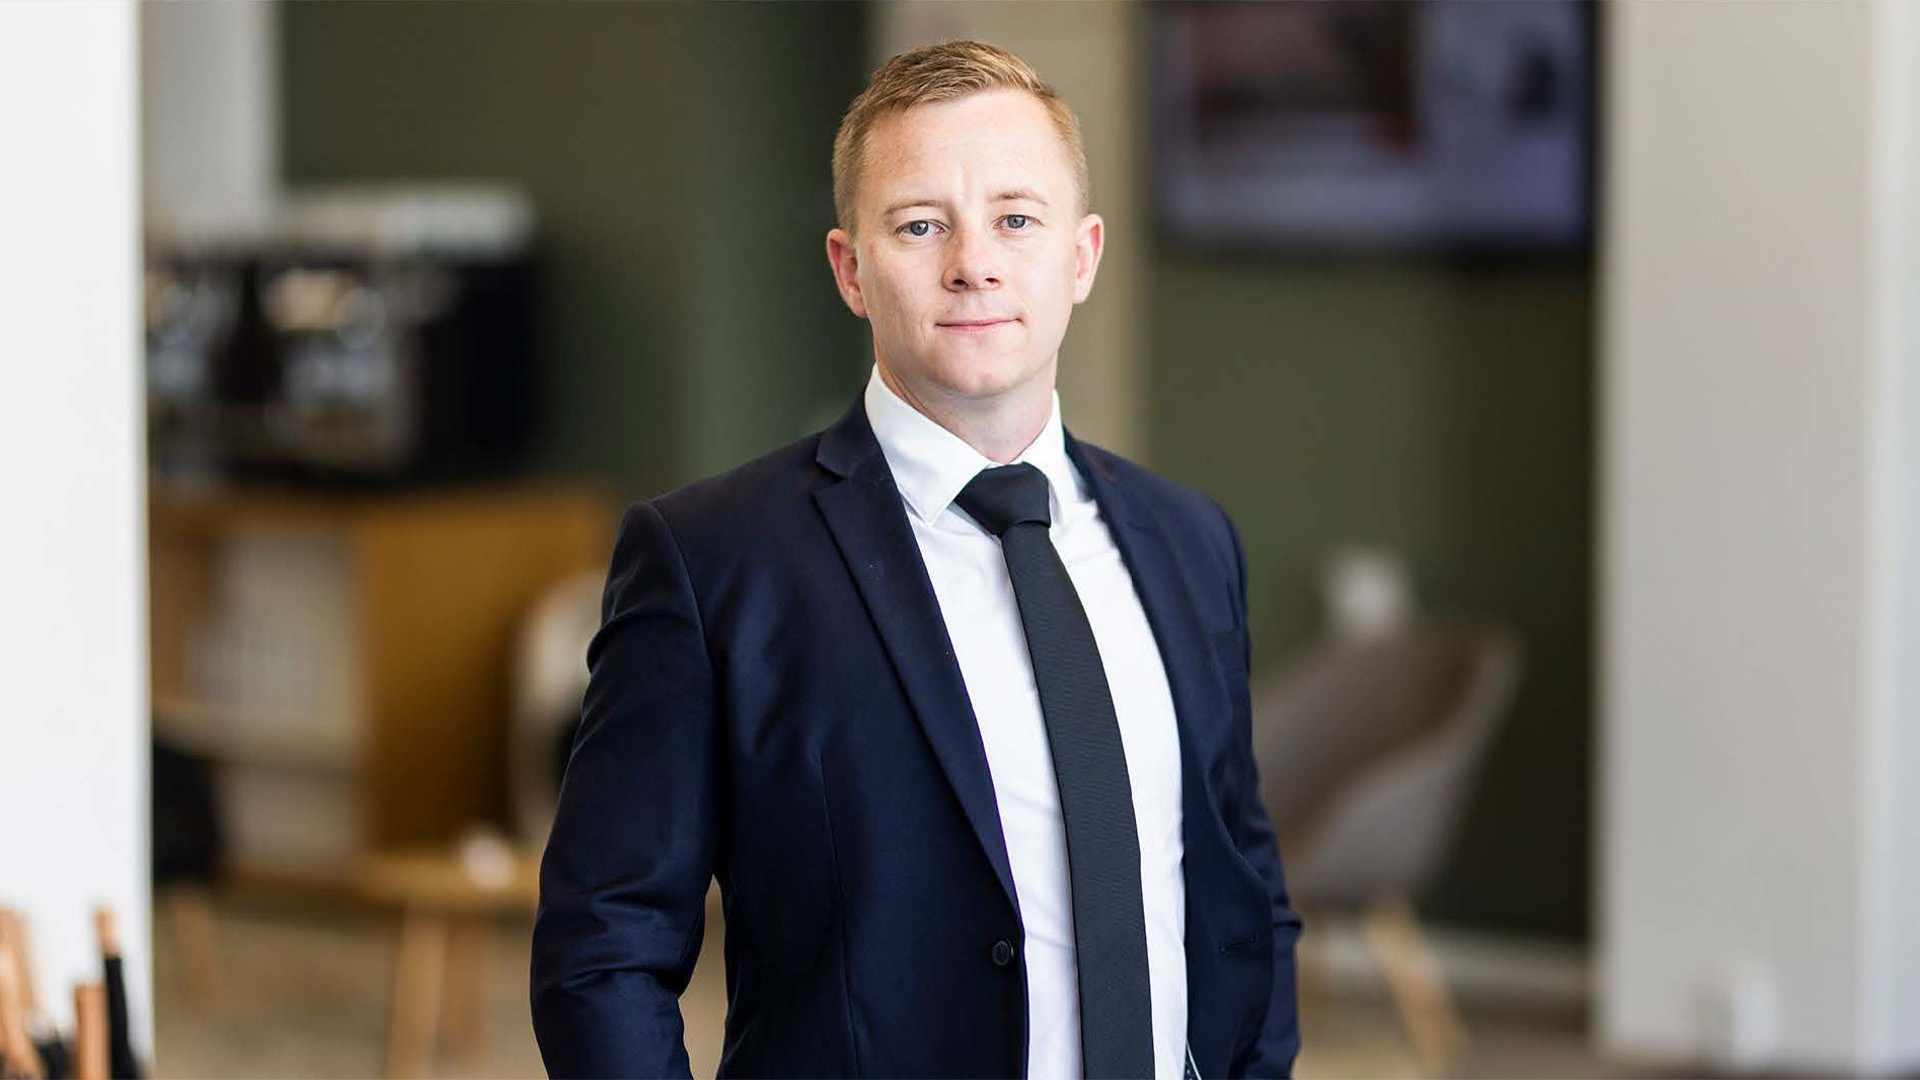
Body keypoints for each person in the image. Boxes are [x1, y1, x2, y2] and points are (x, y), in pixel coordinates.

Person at [531, 40, 1301, 1080]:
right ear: (850, 269)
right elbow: (603, 950)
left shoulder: (1191, 543)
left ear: (1082, 256)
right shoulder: (711, 562)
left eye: (1016, 219)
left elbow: (1241, 884)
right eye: (920, 225)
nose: (973, 263)